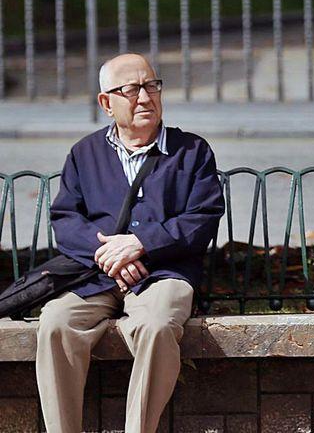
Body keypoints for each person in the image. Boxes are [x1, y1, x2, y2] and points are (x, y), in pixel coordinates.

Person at [37, 53, 225, 433]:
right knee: (55, 324)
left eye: (151, 85)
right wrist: (111, 254)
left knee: (156, 325)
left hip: (164, 274)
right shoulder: (84, 154)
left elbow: (202, 217)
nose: (145, 97)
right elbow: (66, 219)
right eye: (131, 89)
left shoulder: (192, 151)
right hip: (97, 275)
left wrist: (141, 243)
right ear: (106, 103)